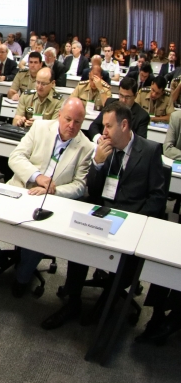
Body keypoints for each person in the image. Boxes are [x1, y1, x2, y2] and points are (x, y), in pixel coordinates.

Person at [42, 102, 166, 330]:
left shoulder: (149, 150)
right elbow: (94, 190)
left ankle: (108, 303)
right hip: (103, 214)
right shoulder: (103, 149)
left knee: (124, 263)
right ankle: (73, 300)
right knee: (78, 241)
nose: (104, 131)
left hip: (133, 220)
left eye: (108, 126)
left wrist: (136, 221)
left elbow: (158, 197)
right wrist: (97, 163)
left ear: (125, 125)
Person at [0, 98, 93, 296]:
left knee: (37, 235)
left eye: (77, 122)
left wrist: (52, 190)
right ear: (59, 115)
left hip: (50, 200)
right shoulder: (40, 127)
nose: (71, 126)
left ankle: (22, 277)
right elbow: (16, 157)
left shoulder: (85, 147)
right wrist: (38, 177)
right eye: (68, 119)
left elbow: (79, 186)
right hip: (20, 188)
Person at [88, 77, 149, 142]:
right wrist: (98, 138)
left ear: (135, 95)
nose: (123, 100)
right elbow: (94, 126)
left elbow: (140, 142)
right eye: (121, 95)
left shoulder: (142, 116)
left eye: (127, 97)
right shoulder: (110, 103)